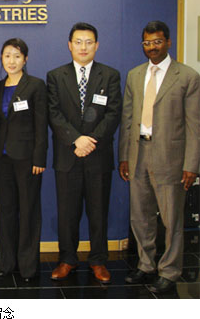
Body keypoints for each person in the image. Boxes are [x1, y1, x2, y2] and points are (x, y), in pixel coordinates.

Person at [119, 20, 200, 293]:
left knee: (171, 218)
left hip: (170, 157)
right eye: (147, 42)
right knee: (140, 215)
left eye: (157, 42)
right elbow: (127, 119)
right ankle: (146, 265)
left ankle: (170, 271)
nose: (151, 47)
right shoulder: (134, 75)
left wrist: (192, 165)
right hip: (138, 153)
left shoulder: (187, 76)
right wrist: (124, 156)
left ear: (168, 42)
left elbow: (195, 126)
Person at [46, 22, 122, 284]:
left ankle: (98, 260)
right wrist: (76, 140)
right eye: (78, 42)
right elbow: (53, 113)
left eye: (89, 42)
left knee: (98, 211)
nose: (83, 47)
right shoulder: (56, 76)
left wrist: (91, 141)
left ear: (96, 45)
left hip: (98, 156)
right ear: (70, 45)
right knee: (67, 213)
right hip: (67, 156)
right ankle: (67, 259)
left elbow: (113, 113)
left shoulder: (109, 75)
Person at [0, 38, 47, 282]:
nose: (11, 61)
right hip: (2, 160)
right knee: (6, 211)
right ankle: (6, 262)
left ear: (25, 59)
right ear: (1, 59)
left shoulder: (35, 85)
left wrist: (39, 158)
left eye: (16, 56)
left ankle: (27, 266)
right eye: (7, 56)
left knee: (28, 211)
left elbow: (41, 125)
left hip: (27, 159)